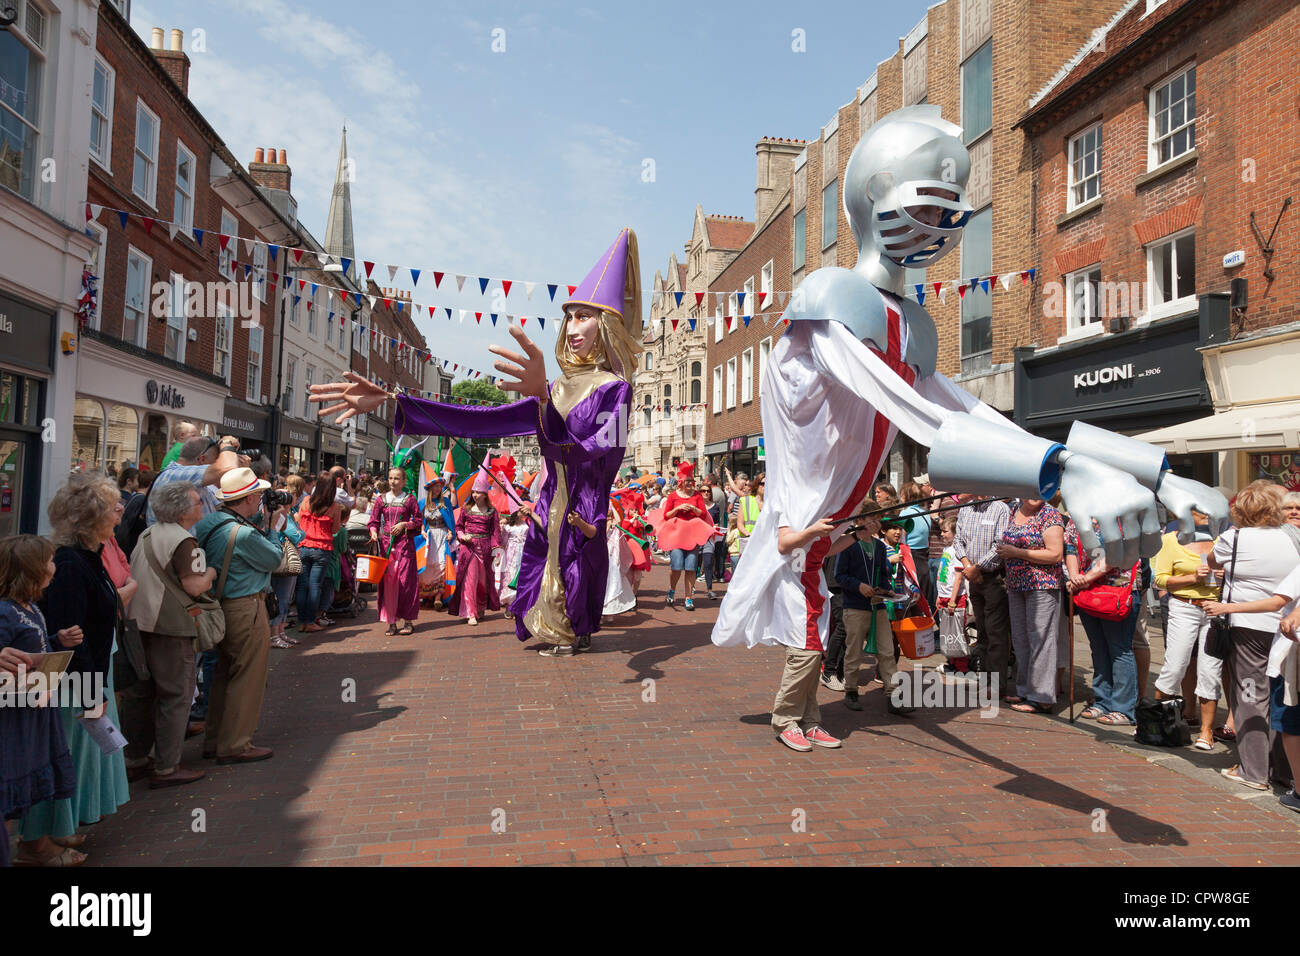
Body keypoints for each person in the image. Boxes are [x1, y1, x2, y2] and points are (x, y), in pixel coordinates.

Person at [710, 107, 1227, 751]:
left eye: (948, 212)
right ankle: (794, 718)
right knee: (810, 635)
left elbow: (964, 409)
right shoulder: (830, 299)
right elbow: (915, 410)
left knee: (814, 635)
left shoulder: (909, 322)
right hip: (806, 520)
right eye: (927, 204)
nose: (938, 226)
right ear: (876, 194)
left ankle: (802, 716)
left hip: (827, 527)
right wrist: (1065, 472)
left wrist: (1151, 471)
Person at [312, 228, 641, 659]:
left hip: (583, 505)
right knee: (542, 566)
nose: (574, 327)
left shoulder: (615, 388)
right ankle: (558, 627)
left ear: (607, 325)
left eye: (584, 316)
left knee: (577, 568)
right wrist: (397, 400)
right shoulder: (557, 387)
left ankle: (575, 630)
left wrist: (544, 404)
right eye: (571, 317)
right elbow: (484, 420)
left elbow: (597, 447)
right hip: (549, 504)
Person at [21, 473, 130, 850]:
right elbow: (69, 634)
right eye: (113, 507)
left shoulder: (88, 556)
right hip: (71, 683)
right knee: (63, 757)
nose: (120, 512)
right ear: (92, 517)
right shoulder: (71, 563)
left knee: (76, 758)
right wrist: (90, 693)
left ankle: (59, 830)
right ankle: (39, 841)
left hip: (84, 677)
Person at [1204, 480, 1299, 790]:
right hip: (1286, 626)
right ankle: (1284, 771)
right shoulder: (1293, 536)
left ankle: (1253, 771)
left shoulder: (1234, 537)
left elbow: (1211, 561)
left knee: (1249, 697)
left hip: (1246, 625)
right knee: (1282, 697)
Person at [193, 468, 287, 765]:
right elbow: (275, 558)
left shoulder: (208, 523)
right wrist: (273, 528)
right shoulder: (244, 533)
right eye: (257, 495)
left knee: (222, 674)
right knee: (247, 676)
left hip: (218, 604)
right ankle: (236, 744)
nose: (260, 499)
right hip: (245, 607)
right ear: (247, 499)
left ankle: (215, 738)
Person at [124, 481, 214, 787]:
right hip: (169, 624)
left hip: (139, 622)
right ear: (183, 511)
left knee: (141, 695)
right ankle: (167, 766)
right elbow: (195, 585)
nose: (202, 505)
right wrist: (211, 573)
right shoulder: (185, 540)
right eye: (198, 502)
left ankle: (136, 758)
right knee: (177, 694)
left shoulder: (148, 533)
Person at [1, 535, 79, 867]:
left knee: (22, 791)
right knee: (8, 791)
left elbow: (30, 648)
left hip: (34, 710)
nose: (53, 567)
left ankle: (28, 845)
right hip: (14, 718)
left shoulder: (29, 606)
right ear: (31, 570)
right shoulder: (5, 613)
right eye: (48, 561)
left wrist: (55, 641)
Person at [1150, 513, 1222, 750]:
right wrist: (1192, 576)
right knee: (1175, 666)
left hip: (1215, 609)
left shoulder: (1221, 540)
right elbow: (1160, 580)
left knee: (1210, 670)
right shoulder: (1170, 540)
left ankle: (1206, 731)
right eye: (1198, 508)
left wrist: (1225, 576)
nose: (1205, 512)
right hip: (1184, 607)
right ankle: (1156, 724)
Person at [994, 497, 1065, 713]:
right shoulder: (1015, 510)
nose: (1033, 495)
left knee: (1041, 640)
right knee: (1021, 639)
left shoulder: (1049, 514)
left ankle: (1041, 697)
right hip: (1016, 584)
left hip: (1042, 585)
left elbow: (1055, 554)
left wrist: (1017, 553)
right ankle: (1025, 690)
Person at [834, 510, 902, 713]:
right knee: (854, 652)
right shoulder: (848, 543)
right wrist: (859, 586)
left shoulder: (879, 546)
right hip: (855, 606)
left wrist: (886, 590)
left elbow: (883, 575)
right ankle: (851, 691)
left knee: (887, 651)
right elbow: (839, 575)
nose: (876, 523)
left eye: (878, 520)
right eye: (872, 519)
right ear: (860, 520)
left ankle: (893, 694)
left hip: (878, 605)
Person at [954, 493, 1012, 687]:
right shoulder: (966, 508)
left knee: (996, 631)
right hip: (973, 577)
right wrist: (969, 567)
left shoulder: (1000, 509)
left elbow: (1000, 545)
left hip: (993, 577)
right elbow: (958, 541)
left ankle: (996, 685)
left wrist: (977, 568)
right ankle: (985, 678)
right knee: (982, 631)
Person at [146, 435, 246, 526]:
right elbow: (228, 467)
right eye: (217, 459)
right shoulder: (176, 476)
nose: (218, 463)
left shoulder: (195, 482)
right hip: (179, 541)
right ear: (202, 459)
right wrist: (226, 443)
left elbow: (226, 510)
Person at [369, 466, 422, 634]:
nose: (393, 481)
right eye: (391, 478)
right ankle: (391, 621)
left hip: (405, 546)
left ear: (404, 481)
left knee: (406, 583)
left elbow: (419, 521)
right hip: (386, 545)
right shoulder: (381, 499)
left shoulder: (410, 499)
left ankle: (408, 621)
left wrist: (405, 524)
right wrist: (373, 532)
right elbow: (373, 521)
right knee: (389, 584)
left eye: (397, 478)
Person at [453, 472, 503, 628]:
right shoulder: (466, 509)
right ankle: (470, 612)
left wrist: (496, 551)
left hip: (486, 549)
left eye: (478, 492)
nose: (475, 495)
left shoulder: (492, 512)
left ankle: (480, 607)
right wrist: (462, 535)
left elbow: (495, 533)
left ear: (485, 494)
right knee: (470, 580)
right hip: (469, 549)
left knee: (483, 582)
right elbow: (458, 527)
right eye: (473, 492)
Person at [295, 473, 342, 635]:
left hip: (304, 546)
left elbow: (299, 521)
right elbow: (335, 529)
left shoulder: (306, 501)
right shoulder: (334, 507)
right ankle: (310, 621)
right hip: (322, 549)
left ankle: (302, 622)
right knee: (315, 586)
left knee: (302, 586)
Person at [662, 462, 711, 611]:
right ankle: (672, 590)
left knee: (691, 567)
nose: (690, 483)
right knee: (676, 566)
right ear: (681, 482)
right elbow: (666, 515)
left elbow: (703, 514)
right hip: (677, 534)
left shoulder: (697, 495)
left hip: (692, 534)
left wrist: (694, 508)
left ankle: (688, 598)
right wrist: (678, 508)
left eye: (691, 481)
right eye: (687, 481)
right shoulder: (672, 496)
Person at [898, 481, 934, 605]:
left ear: (906, 496)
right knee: (922, 598)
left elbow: (901, 537)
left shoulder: (905, 513)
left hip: (910, 556)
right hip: (924, 557)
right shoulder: (926, 513)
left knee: (911, 597)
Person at [498, 507, 530, 614]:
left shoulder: (526, 526)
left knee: (519, 575)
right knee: (509, 575)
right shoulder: (508, 527)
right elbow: (503, 543)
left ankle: (517, 604)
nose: (523, 513)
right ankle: (509, 604)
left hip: (522, 552)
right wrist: (499, 556)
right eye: (520, 511)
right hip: (510, 553)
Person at [731, 472, 765, 572]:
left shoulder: (772, 503)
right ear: (757, 485)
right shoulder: (746, 500)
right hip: (748, 545)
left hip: (765, 545)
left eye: (767, 484)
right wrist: (748, 535)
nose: (765, 487)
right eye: (762, 484)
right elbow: (740, 524)